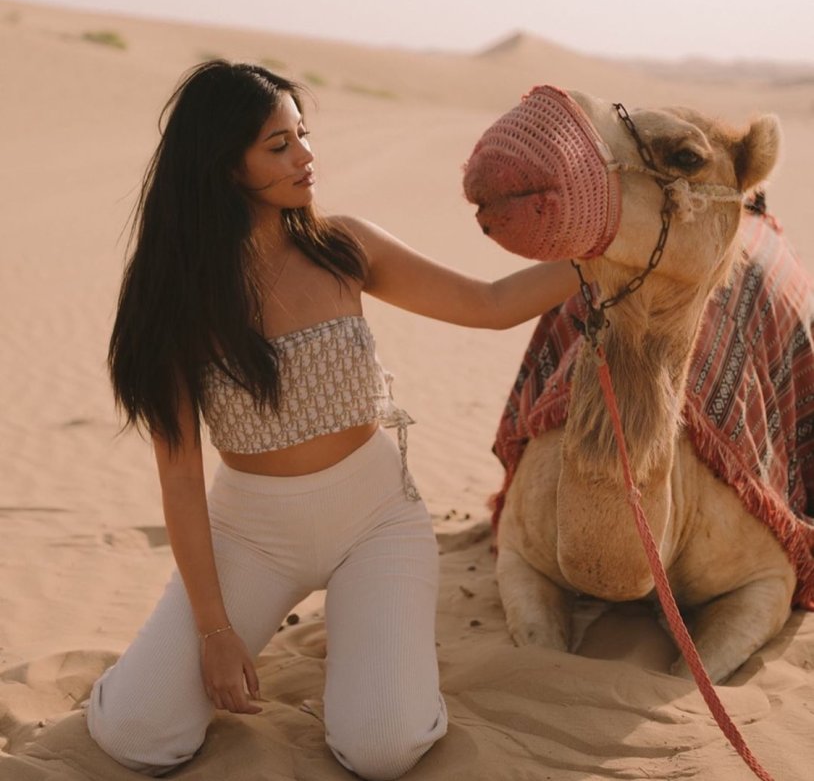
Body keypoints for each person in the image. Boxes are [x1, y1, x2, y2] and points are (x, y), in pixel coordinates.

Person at [86, 60, 578, 780]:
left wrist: (605, 260)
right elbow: (181, 479)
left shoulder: (344, 246)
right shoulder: (175, 302)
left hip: (375, 521)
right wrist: (214, 631)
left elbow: (490, 304)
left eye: (303, 134)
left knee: (382, 748)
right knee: (136, 734)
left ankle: (374, 672)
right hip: (250, 534)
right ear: (223, 165)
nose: (306, 156)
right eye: (278, 145)